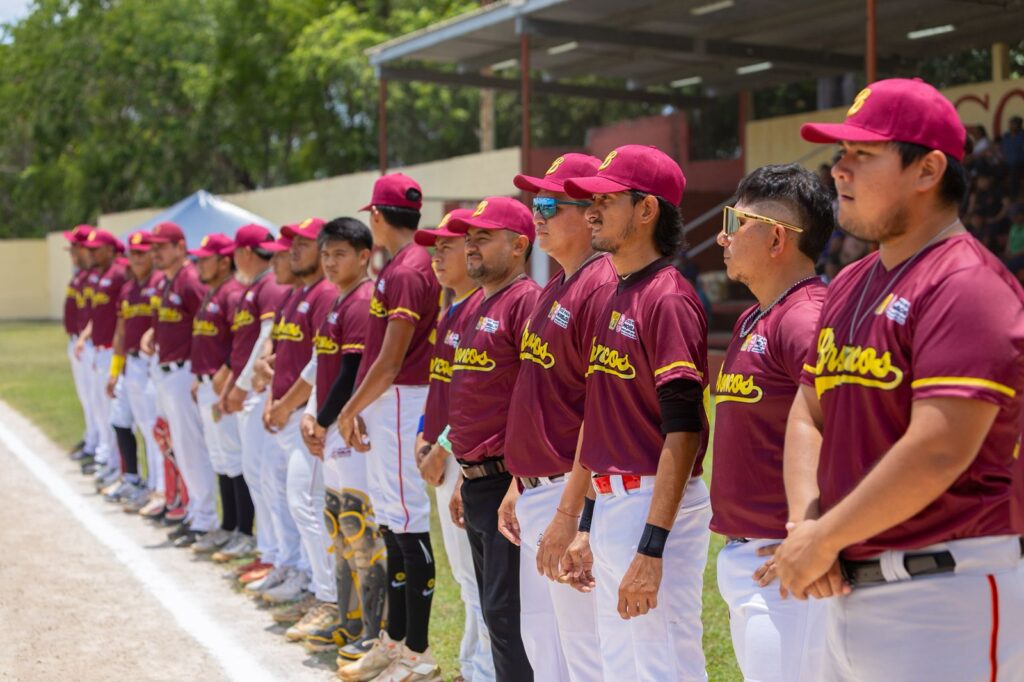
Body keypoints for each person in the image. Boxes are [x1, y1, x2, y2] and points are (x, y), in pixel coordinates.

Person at [775, 78, 1024, 681]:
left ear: (928, 169)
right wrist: (806, 525)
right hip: (843, 587)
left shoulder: (967, 285)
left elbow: (938, 450)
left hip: (944, 597)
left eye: (863, 154)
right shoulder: (852, 284)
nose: (839, 170)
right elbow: (809, 412)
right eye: (840, 154)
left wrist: (824, 536)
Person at [561, 144, 711, 680]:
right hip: (612, 501)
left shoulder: (668, 298)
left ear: (647, 210)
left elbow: (685, 429)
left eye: (607, 198)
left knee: (660, 662)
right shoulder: (611, 294)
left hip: (652, 501)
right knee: (621, 664)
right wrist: (585, 523)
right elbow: (601, 420)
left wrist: (652, 547)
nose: (591, 210)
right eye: (590, 199)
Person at [710, 163, 834, 681]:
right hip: (749, 557)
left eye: (736, 221)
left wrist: (815, 534)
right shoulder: (755, 315)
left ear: (778, 238)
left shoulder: (807, 319)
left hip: (785, 561)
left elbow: (846, 436)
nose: (723, 235)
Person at [498, 153, 612, 682]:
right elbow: (540, 397)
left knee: (585, 656)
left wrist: (577, 515)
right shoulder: (557, 285)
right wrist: (519, 484)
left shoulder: (603, 285)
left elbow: (600, 410)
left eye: (549, 204)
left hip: (574, 489)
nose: (536, 214)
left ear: (592, 212)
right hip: (539, 488)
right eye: (534, 203)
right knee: (546, 648)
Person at [335, 174, 442, 682]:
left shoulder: (408, 268)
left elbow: (390, 360)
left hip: (400, 399)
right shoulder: (406, 263)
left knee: (407, 524)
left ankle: (415, 651)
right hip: (393, 400)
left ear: (376, 216)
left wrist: (349, 408)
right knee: (393, 525)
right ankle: (394, 640)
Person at [444, 197, 541, 682]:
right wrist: (463, 476)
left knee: (510, 615)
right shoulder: (476, 305)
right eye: (469, 238)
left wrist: (516, 482)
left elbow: (532, 400)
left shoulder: (526, 301)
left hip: (508, 480)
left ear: (519, 244)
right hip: (479, 481)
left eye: (484, 236)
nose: (471, 245)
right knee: (493, 610)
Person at [294, 217, 382, 652]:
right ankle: (348, 621)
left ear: (364, 256)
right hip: (331, 431)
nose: (330, 262)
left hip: (351, 432)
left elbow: (349, 374)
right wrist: (312, 415)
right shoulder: (336, 301)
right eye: (326, 254)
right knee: (338, 525)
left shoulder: (362, 300)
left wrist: (324, 420)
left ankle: (372, 630)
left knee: (359, 527)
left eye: (340, 254)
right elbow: (323, 369)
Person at [414, 208, 494, 682]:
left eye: (449, 245)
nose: (439, 255)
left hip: (464, 458)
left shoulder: (477, 311)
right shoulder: (453, 311)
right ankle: (473, 663)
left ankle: (482, 669)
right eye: (436, 247)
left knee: (476, 575)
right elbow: (441, 387)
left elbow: (477, 399)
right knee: (465, 576)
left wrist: (442, 447)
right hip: (443, 452)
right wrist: (425, 434)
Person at [261, 218, 338, 607]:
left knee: (306, 504)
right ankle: (298, 570)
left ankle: (323, 592)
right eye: (291, 243)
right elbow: (286, 352)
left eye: (303, 243)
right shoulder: (295, 294)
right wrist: (268, 374)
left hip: (304, 416)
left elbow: (318, 364)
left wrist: (285, 405)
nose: (293, 250)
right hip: (284, 413)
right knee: (284, 499)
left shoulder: (325, 294)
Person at [218, 224, 291, 579]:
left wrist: (242, 386)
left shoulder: (269, 285)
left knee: (266, 478)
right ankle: (269, 551)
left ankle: (275, 554)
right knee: (258, 476)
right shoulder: (258, 285)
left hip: (263, 394)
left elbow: (265, 337)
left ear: (245, 253)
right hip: (255, 392)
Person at [141, 221, 217, 548]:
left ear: (179, 246)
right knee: (181, 447)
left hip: (185, 370)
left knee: (192, 447)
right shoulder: (167, 281)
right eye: (153, 247)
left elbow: (208, 323)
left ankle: (205, 518)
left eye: (161, 246)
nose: (155, 252)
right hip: (167, 369)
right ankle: (194, 512)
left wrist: (200, 370)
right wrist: (151, 334)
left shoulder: (189, 279)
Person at [186, 233, 253, 557]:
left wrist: (224, 372)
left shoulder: (232, 293)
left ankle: (243, 530)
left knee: (234, 458)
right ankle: (228, 526)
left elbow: (243, 339)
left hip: (222, 386)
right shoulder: (213, 292)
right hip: (208, 385)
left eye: (205, 258)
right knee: (220, 458)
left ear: (224, 261)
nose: (199, 263)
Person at [105, 231, 165, 513]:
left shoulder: (159, 283)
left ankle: (160, 488)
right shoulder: (129, 289)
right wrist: (115, 370)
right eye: (133, 253)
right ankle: (150, 484)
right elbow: (120, 331)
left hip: (151, 363)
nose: (138, 257)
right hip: (131, 364)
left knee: (154, 428)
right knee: (141, 426)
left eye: (143, 252)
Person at [80, 228, 128, 491]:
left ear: (111, 249)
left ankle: (118, 465)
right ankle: (110, 461)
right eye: (91, 249)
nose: (93, 253)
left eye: (98, 248)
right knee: (101, 409)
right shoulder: (101, 275)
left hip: (113, 349)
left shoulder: (120, 272)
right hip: (99, 348)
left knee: (114, 413)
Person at [63, 224, 100, 465]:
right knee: (87, 398)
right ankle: (92, 439)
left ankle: (97, 444)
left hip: (90, 343)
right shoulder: (81, 275)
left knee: (96, 399)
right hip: (78, 341)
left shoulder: (93, 276)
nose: (72, 251)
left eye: (76, 246)